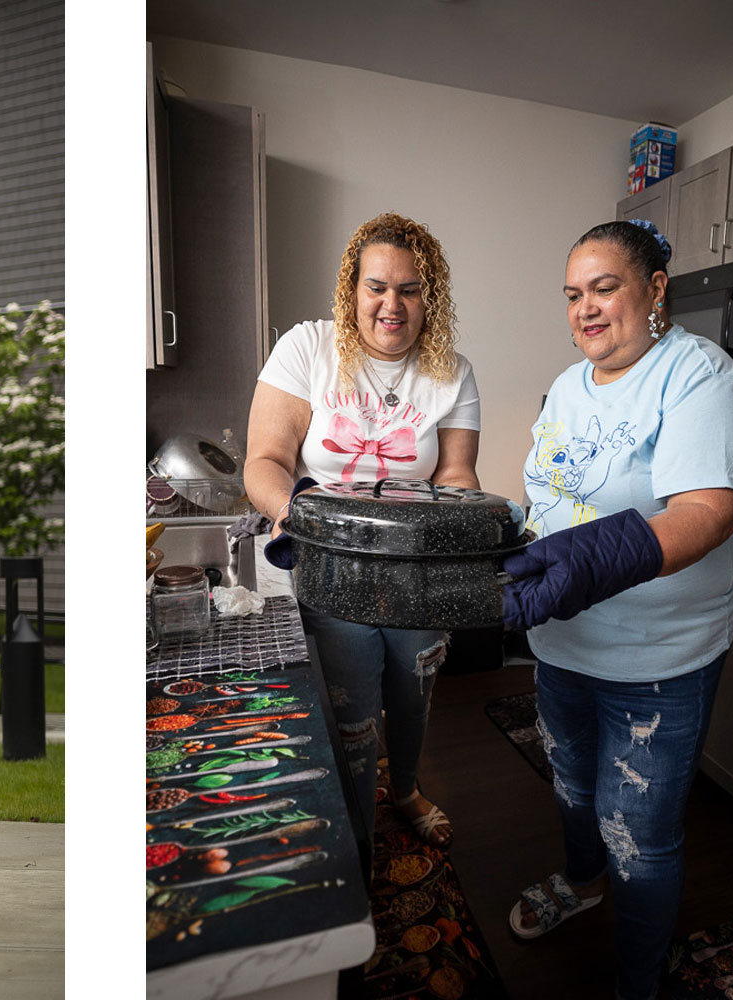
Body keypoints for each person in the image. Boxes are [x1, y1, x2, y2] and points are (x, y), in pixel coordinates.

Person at [499, 219, 733, 1000]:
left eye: (605, 288)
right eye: (574, 295)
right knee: (575, 790)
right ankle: (580, 883)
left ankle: (636, 983)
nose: (586, 309)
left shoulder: (699, 376)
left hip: (658, 660)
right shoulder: (570, 385)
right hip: (563, 646)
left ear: (654, 289)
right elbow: (551, 496)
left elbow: (709, 510)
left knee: (639, 838)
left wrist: (593, 558)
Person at [243, 212, 482, 864]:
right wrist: (299, 515)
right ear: (352, 288)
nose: (392, 304)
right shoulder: (308, 348)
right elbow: (264, 460)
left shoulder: (451, 372)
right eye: (377, 286)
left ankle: (403, 790)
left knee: (412, 694)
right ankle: (355, 832)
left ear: (431, 296)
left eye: (410, 289)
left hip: (418, 573)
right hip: (331, 569)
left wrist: (467, 527)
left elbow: (456, 473)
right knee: (351, 711)